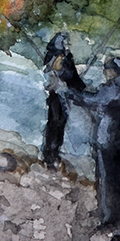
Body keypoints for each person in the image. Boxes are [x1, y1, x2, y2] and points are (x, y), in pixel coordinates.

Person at [68, 55, 120, 228]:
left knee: (108, 180)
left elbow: (91, 100)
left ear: (113, 71)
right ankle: (105, 211)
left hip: (108, 142)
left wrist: (69, 92)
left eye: (107, 69)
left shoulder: (113, 89)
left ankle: (112, 218)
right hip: (119, 142)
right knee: (108, 178)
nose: (105, 72)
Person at [42, 32, 85, 168]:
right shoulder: (59, 59)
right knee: (56, 124)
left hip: (59, 96)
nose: (68, 46)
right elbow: (68, 75)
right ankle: (51, 156)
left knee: (56, 124)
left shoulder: (58, 58)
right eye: (65, 43)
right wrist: (77, 86)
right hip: (58, 97)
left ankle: (51, 154)